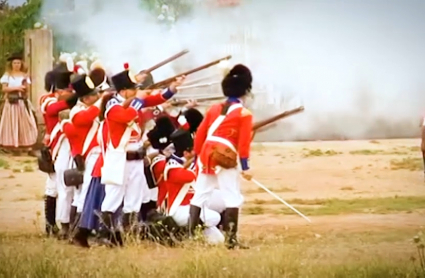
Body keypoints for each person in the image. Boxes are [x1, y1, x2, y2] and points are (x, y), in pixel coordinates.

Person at [99, 64, 184, 245]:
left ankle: (129, 235)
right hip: (120, 160)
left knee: (134, 198)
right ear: (124, 91)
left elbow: (158, 99)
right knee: (113, 198)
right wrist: (138, 100)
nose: (136, 91)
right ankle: (107, 235)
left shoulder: (131, 102)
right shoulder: (112, 107)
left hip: (136, 159)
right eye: (133, 89)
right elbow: (127, 115)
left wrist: (173, 88)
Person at [190, 64, 254, 249]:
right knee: (232, 197)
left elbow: (201, 134)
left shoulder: (213, 108)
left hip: (206, 155)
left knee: (199, 195)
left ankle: (190, 237)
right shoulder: (244, 114)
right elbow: (243, 145)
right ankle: (231, 241)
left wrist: (197, 157)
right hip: (225, 157)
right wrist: (245, 166)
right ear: (245, 91)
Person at [39, 65, 79, 237]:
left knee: (59, 186)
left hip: (66, 144)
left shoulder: (62, 99)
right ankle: (53, 225)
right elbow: (52, 110)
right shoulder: (48, 100)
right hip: (58, 146)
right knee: (56, 187)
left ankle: (60, 224)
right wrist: (77, 96)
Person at [165, 128, 224, 244]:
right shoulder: (172, 168)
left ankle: (195, 234)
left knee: (219, 241)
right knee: (214, 217)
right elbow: (191, 176)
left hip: (193, 208)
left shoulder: (190, 164)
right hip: (179, 210)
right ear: (186, 153)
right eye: (193, 150)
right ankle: (187, 234)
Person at [68, 74, 103, 231]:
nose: (97, 97)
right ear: (87, 98)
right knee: (85, 192)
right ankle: (78, 229)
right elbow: (86, 118)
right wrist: (103, 100)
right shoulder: (76, 111)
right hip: (88, 156)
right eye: (94, 95)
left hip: (95, 154)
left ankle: (80, 228)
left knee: (85, 192)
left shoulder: (90, 108)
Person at [0, 52, 38, 154]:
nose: (16, 65)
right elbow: (4, 89)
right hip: (11, 102)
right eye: (14, 63)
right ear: (11, 64)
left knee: (25, 123)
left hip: (21, 101)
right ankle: (11, 145)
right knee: (10, 123)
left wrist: (24, 88)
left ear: (21, 64)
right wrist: (16, 88)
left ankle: (25, 144)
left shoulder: (24, 76)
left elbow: (27, 90)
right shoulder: (7, 75)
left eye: (18, 63)